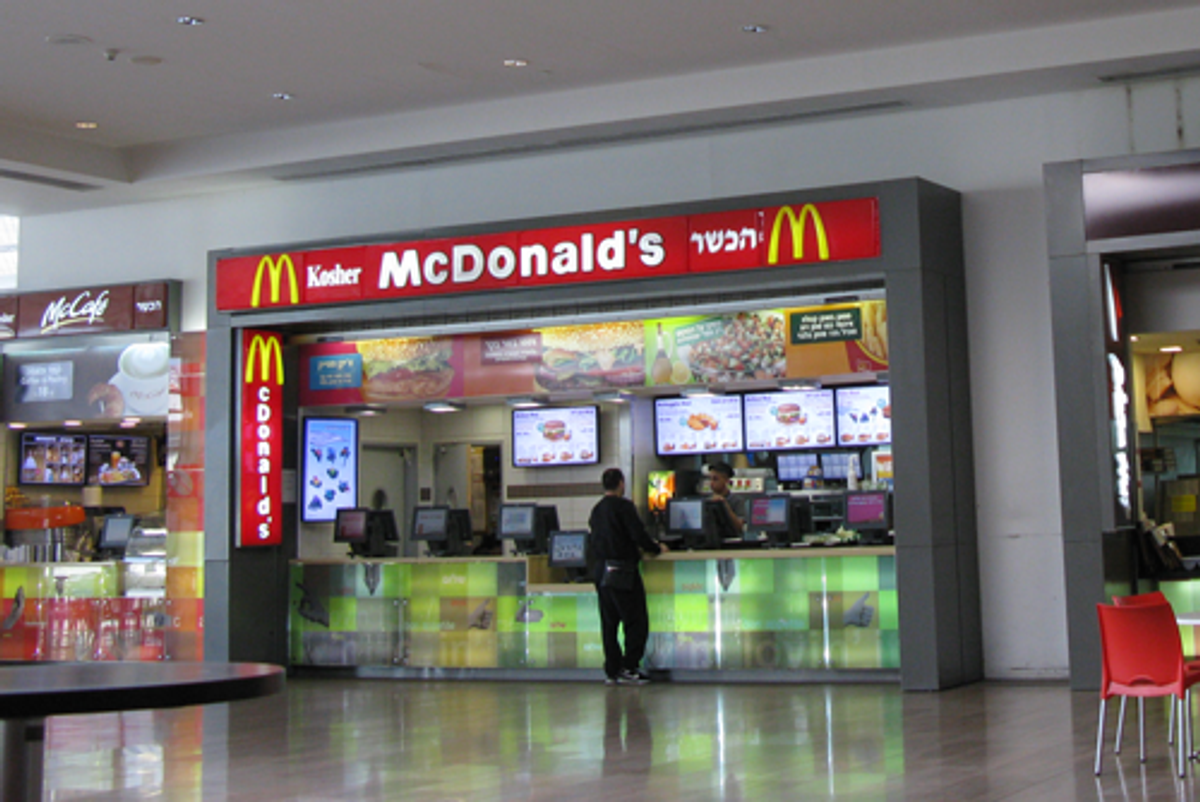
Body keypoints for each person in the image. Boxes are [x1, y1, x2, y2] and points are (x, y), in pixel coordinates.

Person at [589, 467, 668, 686]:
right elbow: (638, 535)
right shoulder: (624, 507)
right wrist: (656, 548)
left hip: (601, 571)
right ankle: (630, 666)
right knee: (635, 621)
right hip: (622, 571)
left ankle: (612, 670)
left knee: (609, 622)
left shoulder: (597, 509)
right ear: (621, 484)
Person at [707, 461, 745, 535]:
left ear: (726, 481)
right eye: (710, 479)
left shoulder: (737, 500)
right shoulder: (707, 501)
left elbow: (739, 527)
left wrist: (725, 505)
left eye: (715, 479)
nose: (711, 483)